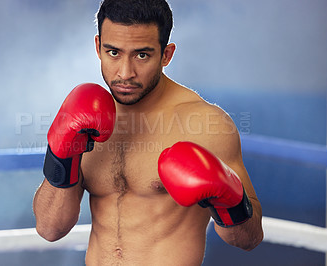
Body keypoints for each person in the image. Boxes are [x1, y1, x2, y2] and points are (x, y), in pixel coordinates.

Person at [33, 0, 264, 265]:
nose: (125, 73)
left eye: (141, 55)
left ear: (166, 55)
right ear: (98, 47)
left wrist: (228, 199)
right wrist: (61, 157)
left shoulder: (205, 124)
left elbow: (249, 238)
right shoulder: (86, 120)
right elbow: (50, 228)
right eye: (113, 53)